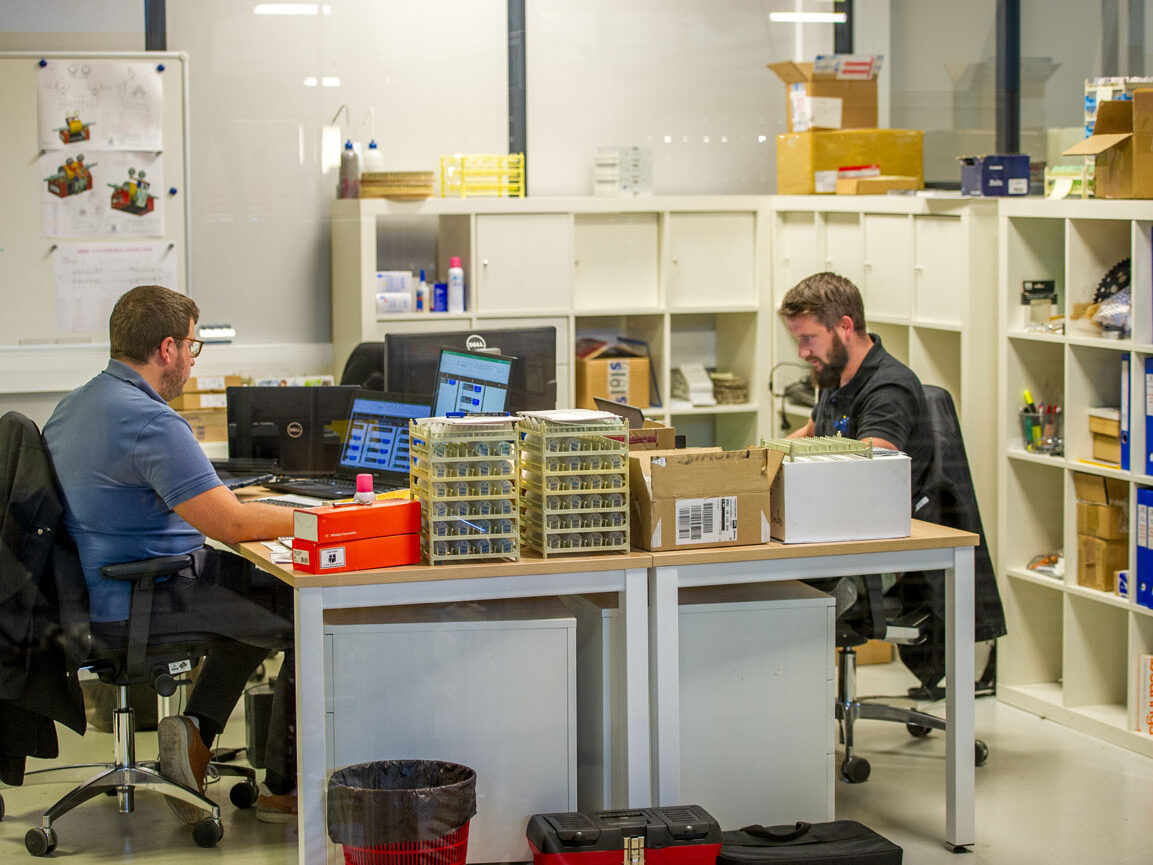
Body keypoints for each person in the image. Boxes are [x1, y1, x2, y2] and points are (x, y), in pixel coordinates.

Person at [43, 285, 298, 824]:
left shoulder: (75, 406)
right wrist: (322, 517)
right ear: (166, 349)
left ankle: (197, 737)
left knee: (258, 597)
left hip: (96, 596)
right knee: (301, 612)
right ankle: (287, 788)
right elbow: (230, 523)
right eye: (191, 346)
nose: (190, 357)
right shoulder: (152, 422)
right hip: (145, 598)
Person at [777, 271, 933, 500]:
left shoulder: (889, 388)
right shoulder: (835, 373)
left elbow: (869, 476)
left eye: (808, 338)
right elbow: (809, 434)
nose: (802, 352)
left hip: (889, 523)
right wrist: (758, 463)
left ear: (844, 327)